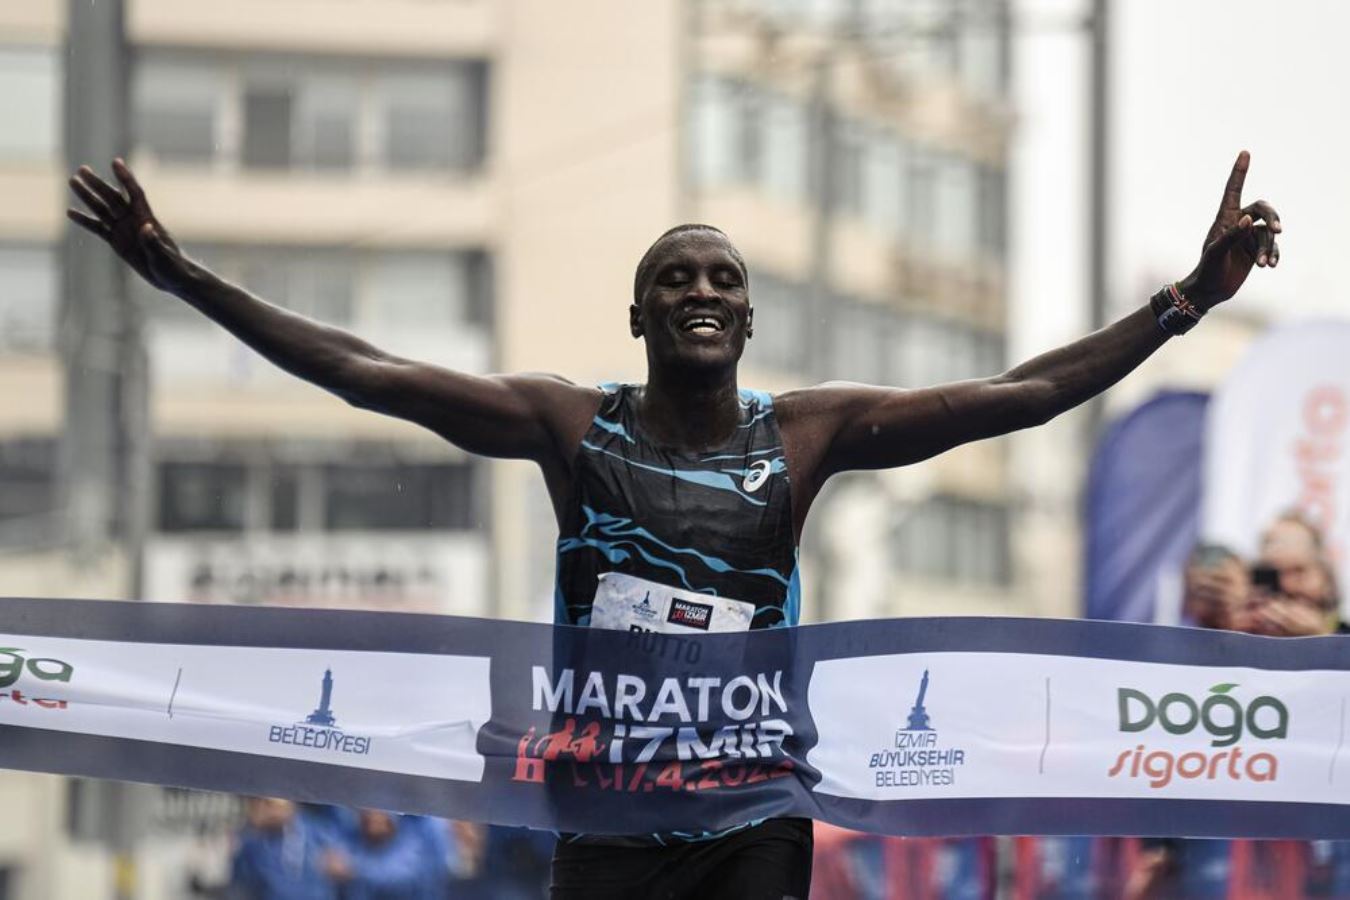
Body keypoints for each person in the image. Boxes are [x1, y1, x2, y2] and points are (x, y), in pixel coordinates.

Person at [68, 150, 1281, 899]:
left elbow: (1019, 395)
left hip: (750, 812)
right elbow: (369, 372)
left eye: (722, 280)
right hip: (602, 814)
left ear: (747, 320)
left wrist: (1183, 303)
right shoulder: (571, 426)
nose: (702, 290)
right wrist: (186, 279)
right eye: (676, 278)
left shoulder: (804, 436)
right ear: (640, 314)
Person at [228, 797, 341, 900]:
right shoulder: (253, 843)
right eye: (258, 805)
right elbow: (241, 884)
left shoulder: (317, 833)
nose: (267, 811)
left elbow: (346, 865)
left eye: (270, 804)